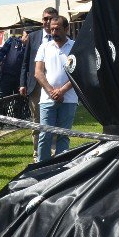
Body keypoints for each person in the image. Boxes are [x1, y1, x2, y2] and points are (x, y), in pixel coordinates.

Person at [35, 16, 78, 161]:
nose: (54, 32)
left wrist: (62, 91)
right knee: (44, 135)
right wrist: (52, 92)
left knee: (63, 136)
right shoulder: (44, 47)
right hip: (47, 99)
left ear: (66, 29)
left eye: (57, 29)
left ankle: (60, 169)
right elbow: (38, 72)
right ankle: (41, 168)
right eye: (52, 29)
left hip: (69, 99)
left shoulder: (76, 46)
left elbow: (78, 73)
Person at [19, 7, 57, 158]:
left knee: (53, 121)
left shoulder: (60, 35)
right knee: (37, 121)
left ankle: (53, 154)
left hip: (53, 85)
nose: (47, 22)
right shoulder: (33, 37)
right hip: (34, 86)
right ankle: (37, 154)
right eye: (45, 18)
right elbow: (25, 62)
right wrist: (22, 83)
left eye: (51, 18)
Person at [0, 32, 26, 118]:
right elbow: (1, 53)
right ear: (23, 33)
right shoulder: (12, 41)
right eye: (26, 34)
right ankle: (0, 120)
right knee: (2, 97)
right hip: (7, 75)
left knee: (19, 99)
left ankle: (18, 120)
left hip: (21, 77)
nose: (28, 37)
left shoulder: (31, 45)